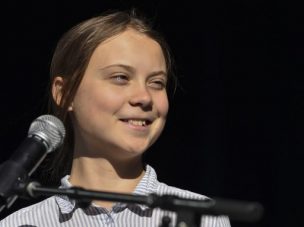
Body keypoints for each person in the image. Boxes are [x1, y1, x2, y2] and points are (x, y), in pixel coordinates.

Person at [0, 10, 231, 227]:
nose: (144, 97)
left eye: (157, 83)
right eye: (120, 77)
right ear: (64, 93)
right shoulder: (20, 223)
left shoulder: (201, 217)